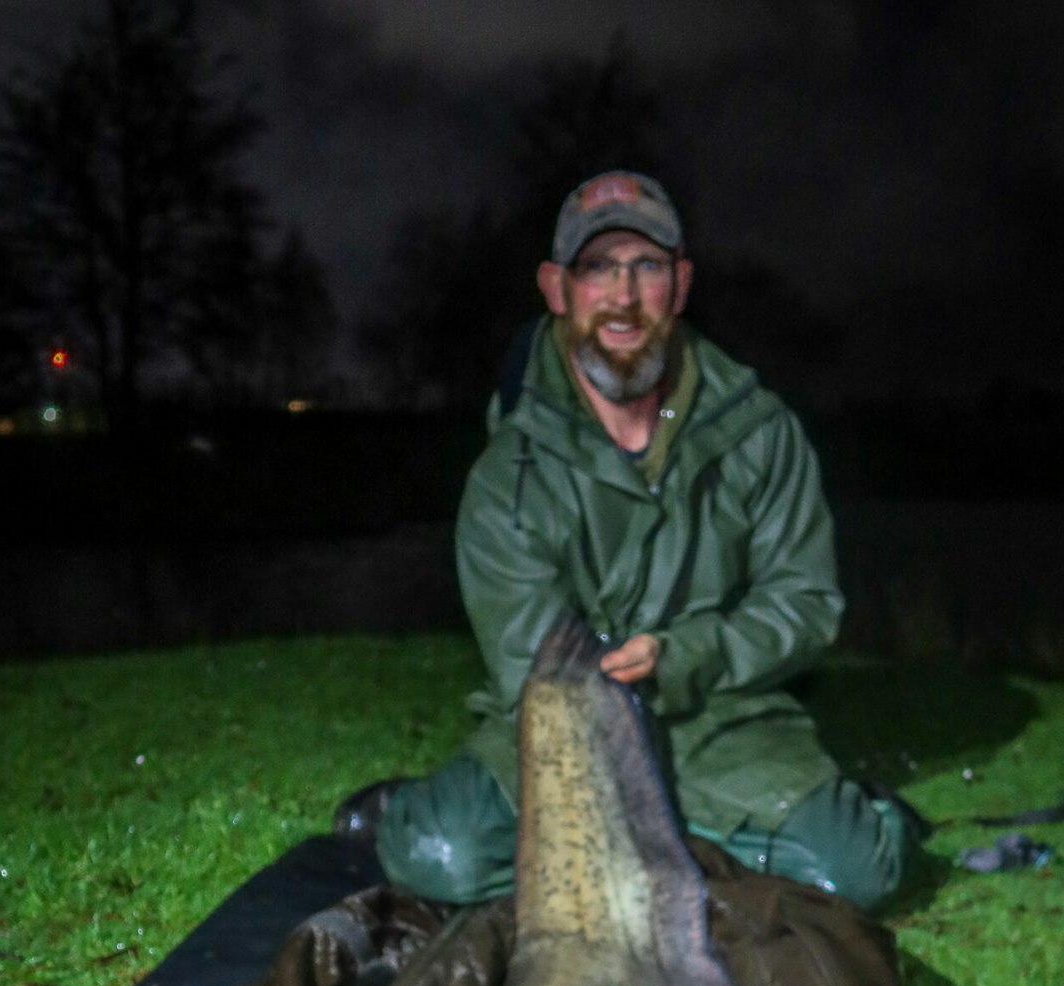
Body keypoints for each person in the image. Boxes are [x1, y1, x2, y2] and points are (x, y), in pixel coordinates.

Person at [358, 169, 917, 910]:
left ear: (680, 286)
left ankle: (867, 813)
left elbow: (804, 604)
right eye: (597, 268)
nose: (622, 297)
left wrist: (683, 656)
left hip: (721, 719)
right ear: (557, 288)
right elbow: (533, 664)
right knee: (443, 861)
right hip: (561, 730)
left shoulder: (763, 431)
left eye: (646, 267)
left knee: (851, 877)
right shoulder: (507, 473)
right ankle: (425, 803)